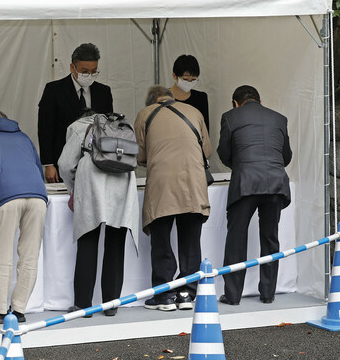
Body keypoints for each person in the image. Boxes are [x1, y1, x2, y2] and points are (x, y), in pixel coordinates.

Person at [134, 86, 212, 311]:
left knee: (161, 240)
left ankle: (164, 295)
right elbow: (206, 150)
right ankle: (187, 293)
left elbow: (141, 156)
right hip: (193, 183)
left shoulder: (145, 114)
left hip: (162, 183)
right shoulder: (194, 111)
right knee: (190, 240)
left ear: (151, 101)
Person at [0, 107, 47, 324]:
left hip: (6, 196)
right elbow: (38, 170)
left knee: (2, 255)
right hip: (38, 195)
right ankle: (19, 310)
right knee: (30, 255)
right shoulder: (23, 136)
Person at [59, 110, 139, 317]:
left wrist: (72, 189)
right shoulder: (120, 127)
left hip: (92, 184)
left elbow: (65, 164)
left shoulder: (78, 128)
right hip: (123, 184)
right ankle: (111, 304)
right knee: (115, 245)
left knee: (88, 241)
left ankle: (83, 305)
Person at [218, 85, 292, 305]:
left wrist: (241, 166)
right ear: (260, 101)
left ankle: (232, 295)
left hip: (245, 183)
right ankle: (268, 294)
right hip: (276, 183)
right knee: (270, 238)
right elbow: (286, 156)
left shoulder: (230, 117)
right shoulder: (279, 118)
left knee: (236, 239)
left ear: (235, 102)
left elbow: (224, 153)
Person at [38, 43, 113, 183]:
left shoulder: (104, 92)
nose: (89, 75)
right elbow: (45, 129)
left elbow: (108, 128)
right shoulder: (54, 90)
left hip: (95, 163)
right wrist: (48, 164)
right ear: (72, 67)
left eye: (94, 71)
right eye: (84, 71)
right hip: (62, 161)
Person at [169, 54, 210, 129]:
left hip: (194, 140)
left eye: (193, 79)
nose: (189, 82)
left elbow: (205, 129)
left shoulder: (201, 98)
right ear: (174, 76)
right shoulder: (163, 97)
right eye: (185, 79)